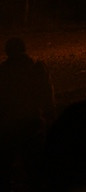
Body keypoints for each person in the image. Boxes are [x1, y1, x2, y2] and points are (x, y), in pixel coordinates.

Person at [0, 37, 54, 189]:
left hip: (9, 125)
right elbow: (47, 93)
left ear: (8, 51)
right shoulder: (37, 66)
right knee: (35, 168)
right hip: (32, 122)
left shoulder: (3, 70)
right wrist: (49, 114)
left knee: (5, 167)